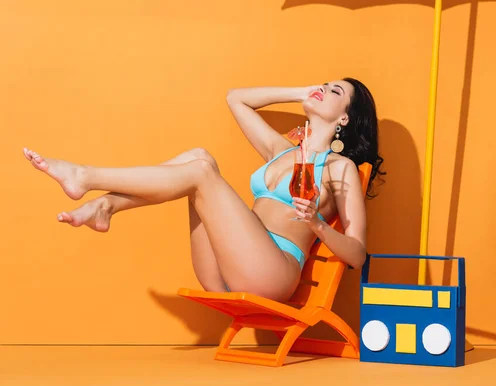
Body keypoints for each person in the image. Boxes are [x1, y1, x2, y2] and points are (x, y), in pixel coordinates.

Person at [23, 78, 385, 302]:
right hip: (224, 270)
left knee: (200, 170)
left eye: (334, 91)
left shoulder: (340, 168)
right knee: (198, 157)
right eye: (323, 84)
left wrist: (318, 226)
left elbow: (357, 255)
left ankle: (88, 180)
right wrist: (301, 92)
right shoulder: (281, 151)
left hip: (272, 276)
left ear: (345, 118)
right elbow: (235, 98)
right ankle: (105, 205)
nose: (323, 88)